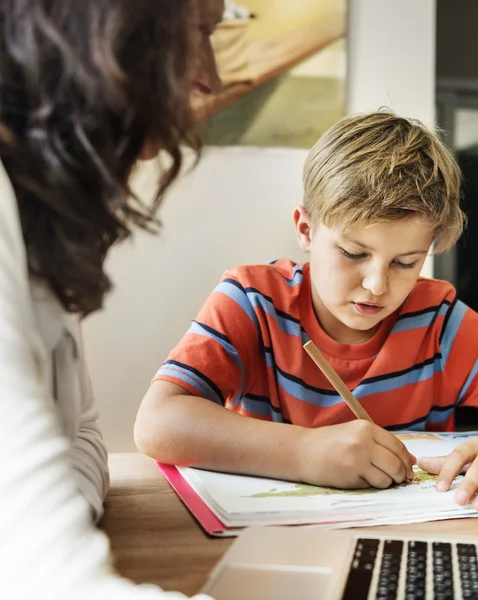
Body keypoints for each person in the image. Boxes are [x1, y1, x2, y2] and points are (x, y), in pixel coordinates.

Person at [135, 111, 478, 541]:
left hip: (417, 543)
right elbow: (159, 422)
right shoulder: (253, 302)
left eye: (406, 263)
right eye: (353, 253)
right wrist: (305, 453)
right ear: (306, 230)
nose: (376, 285)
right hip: (274, 544)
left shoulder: (439, 321)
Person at [0, 0, 226, 598]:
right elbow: (48, 580)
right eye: (200, 32)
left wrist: (46, 520)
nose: (210, 78)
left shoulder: (42, 222)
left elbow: (86, 437)